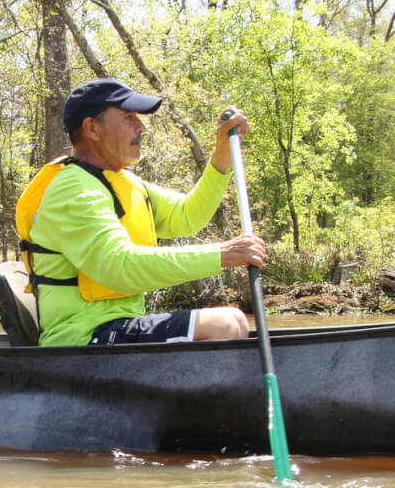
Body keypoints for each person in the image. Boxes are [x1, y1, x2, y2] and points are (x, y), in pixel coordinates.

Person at [16, 78, 267, 346]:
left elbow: (187, 215)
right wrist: (222, 254)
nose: (141, 127)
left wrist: (222, 153)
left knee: (237, 321)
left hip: (117, 328)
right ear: (92, 128)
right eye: (127, 117)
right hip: (81, 339)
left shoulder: (121, 181)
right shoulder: (74, 190)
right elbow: (119, 266)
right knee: (226, 324)